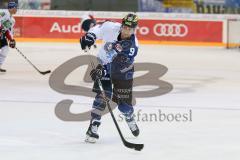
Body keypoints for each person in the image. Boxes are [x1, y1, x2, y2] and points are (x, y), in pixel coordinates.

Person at [80, 13, 139, 143]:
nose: (126, 30)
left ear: (134, 29)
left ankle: (129, 117)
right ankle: (93, 127)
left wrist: (102, 70)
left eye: (130, 29)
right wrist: (90, 36)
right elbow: (98, 28)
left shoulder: (132, 47)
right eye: (125, 27)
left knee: (124, 106)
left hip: (123, 71)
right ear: (122, 25)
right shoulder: (111, 27)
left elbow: (116, 64)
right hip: (103, 63)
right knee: (103, 95)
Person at [0, 1, 17, 72]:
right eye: (15, 8)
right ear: (10, 8)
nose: (16, 9)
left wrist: (11, 39)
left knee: (5, 49)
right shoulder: (3, 12)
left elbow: (8, 30)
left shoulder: (12, 20)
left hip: (1, 35)